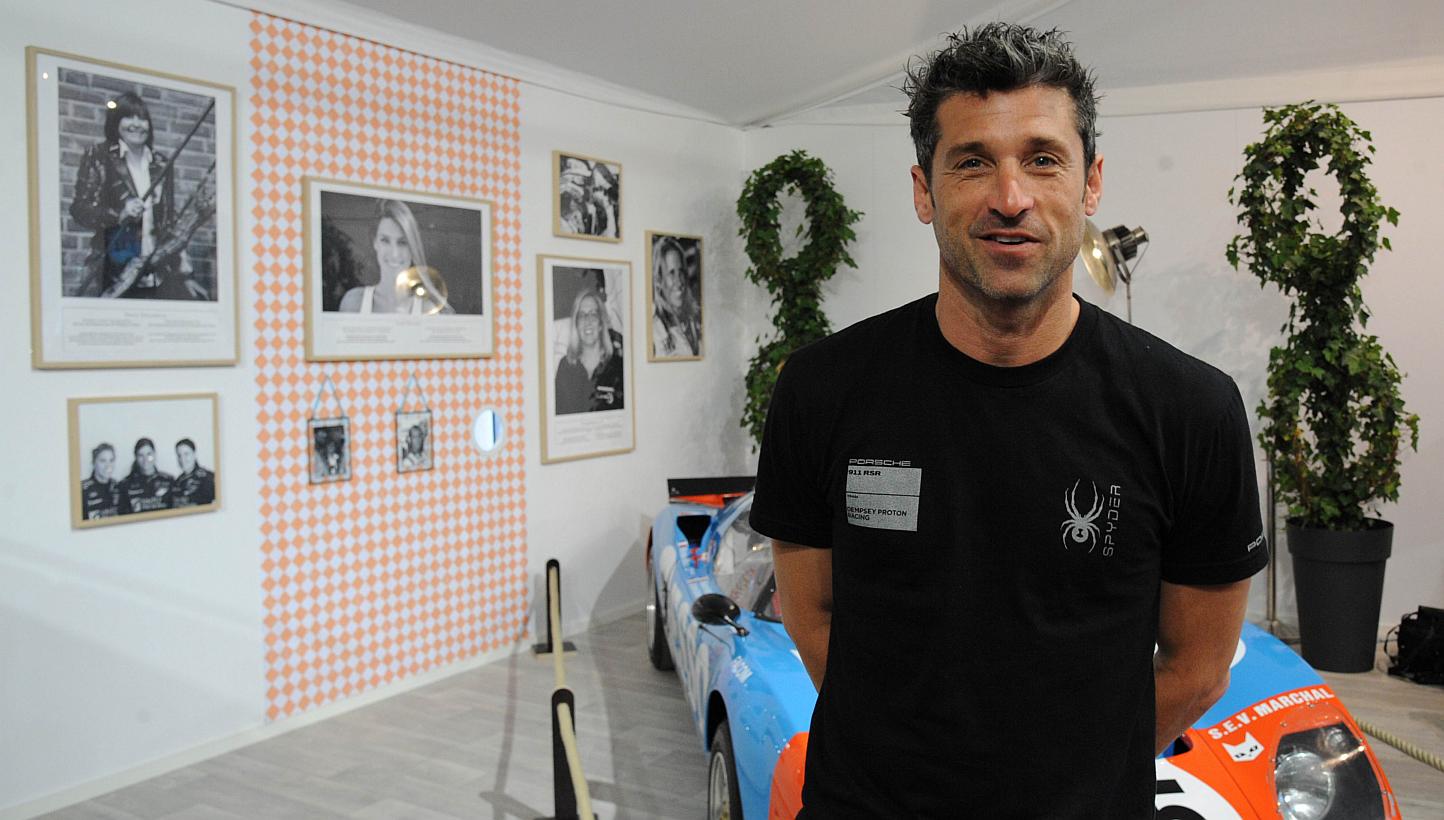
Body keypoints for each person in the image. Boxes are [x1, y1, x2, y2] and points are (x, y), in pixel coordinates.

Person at [750, 24, 1268, 819]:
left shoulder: (1191, 409)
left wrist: (1063, 779)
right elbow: (814, 619)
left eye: (1043, 158)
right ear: (924, 190)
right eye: (971, 162)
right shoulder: (821, 390)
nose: (1011, 197)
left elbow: (1197, 668)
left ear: (1091, 183)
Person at [69, 92, 199, 300]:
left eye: (143, 118)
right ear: (115, 122)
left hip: (158, 270)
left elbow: (169, 221)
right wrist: (118, 214)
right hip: (115, 272)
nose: (137, 125)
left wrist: (184, 269)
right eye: (129, 117)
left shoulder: (161, 164)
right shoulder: (99, 156)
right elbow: (80, 209)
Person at [338, 199, 453, 314]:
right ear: (375, 242)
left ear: (412, 248)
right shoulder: (354, 302)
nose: (394, 253)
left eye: (402, 242)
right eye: (385, 240)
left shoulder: (431, 310)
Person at [554, 288, 624, 414]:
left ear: (601, 323)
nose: (588, 321)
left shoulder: (619, 367)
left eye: (593, 314)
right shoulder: (565, 367)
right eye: (582, 315)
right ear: (575, 324)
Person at [651, 237, 701, 357]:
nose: (679, 282)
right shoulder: (654, 330)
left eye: (681, 272)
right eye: (671, 273)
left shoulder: (692, 320)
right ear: (658, 280)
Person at [118, 437, 174, 513]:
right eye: (141, 455)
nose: (145, 459)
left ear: (155, 454)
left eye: (149, 454)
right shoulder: (125, 485)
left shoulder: (169, 481)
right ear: (136, 457)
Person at [79, 443, 121, 520]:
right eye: (103, 461)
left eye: (111, 460)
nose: (108, 465)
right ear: (93, 463)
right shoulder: (82, 490)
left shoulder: (119, 487)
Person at [171, 438, 215, 507]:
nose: (182, 459)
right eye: (179, 455)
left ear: (194, 454)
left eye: (186, 454)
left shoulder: (208, 478)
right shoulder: (177, 482)